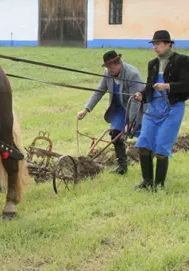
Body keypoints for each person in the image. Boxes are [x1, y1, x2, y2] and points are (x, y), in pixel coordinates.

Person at [133, 30, 189, 192]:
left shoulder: (182, 61)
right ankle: (147, 181)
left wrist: (168, 86)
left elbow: (187, 84)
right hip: (153, 109)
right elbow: (150, 86)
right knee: (143, 143)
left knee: (161, 147)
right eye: (154, 44)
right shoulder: (153, 64)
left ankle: (159, 184)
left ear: (168, 44)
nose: (155, 48)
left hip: (172, 109)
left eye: (158, 44)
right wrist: (141, 94)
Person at [77, 50, 145, 175]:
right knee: (115, 134)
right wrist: (86, 110)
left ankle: (151, 160)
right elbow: (99, 91)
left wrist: (130, 122)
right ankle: (122, 167)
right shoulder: (108, 73)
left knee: (143, 137)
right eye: (107, 67)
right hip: (119, 109)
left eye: (111, 67)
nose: (109, 70)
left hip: (135, 109)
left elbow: (136, 102)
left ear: (118, 63)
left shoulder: (132, 74)